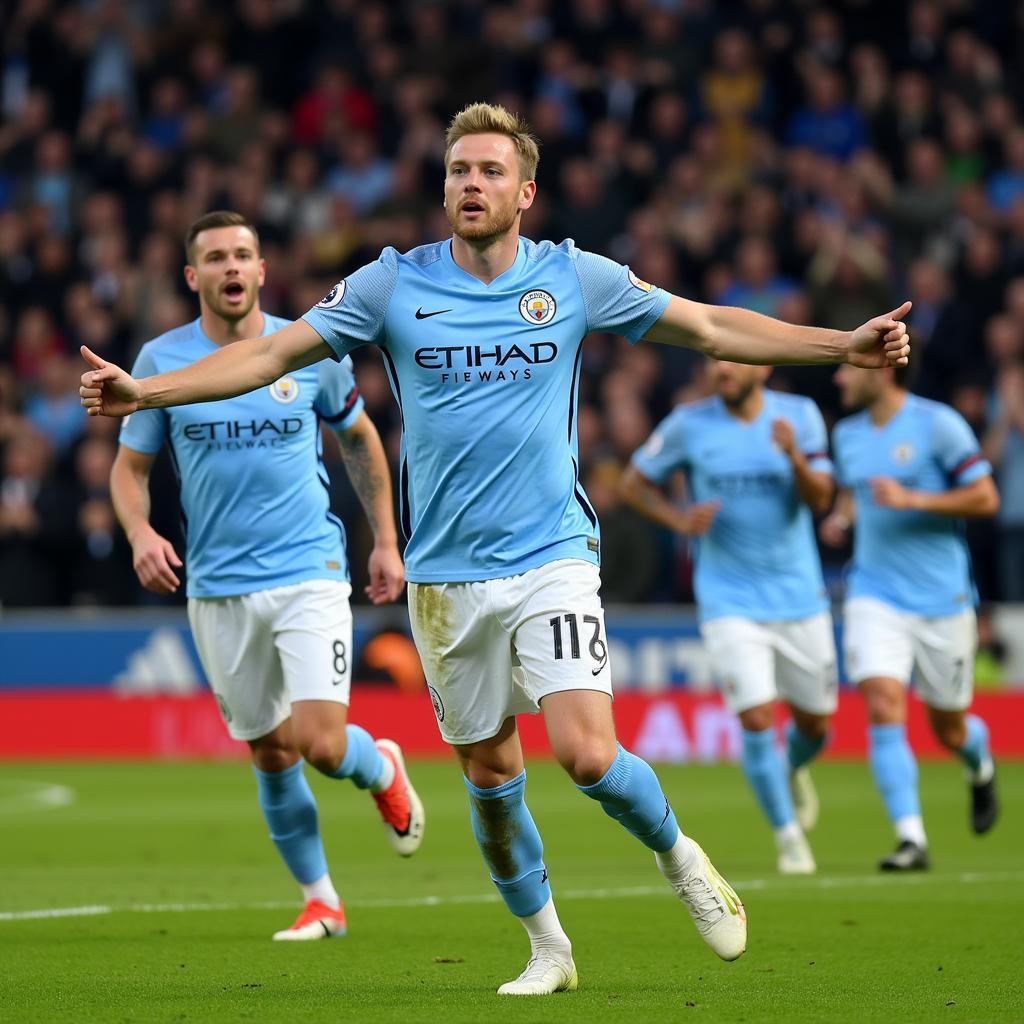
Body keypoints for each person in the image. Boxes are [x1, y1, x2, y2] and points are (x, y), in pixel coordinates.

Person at [82, 104, 911, 995]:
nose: (468, 185)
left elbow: (709, 327)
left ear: (525, 191)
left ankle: (681, 858)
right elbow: (271, 355)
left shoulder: (573, 277)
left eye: (486, 171)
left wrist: (843, 349)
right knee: (489, 773)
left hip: (552, 552)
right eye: (455, 172)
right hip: (444, 579)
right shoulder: (390, 286)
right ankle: (548, 948)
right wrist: (148, 393)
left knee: (588, 754)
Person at [107, 210, 424, 942]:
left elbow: (359, 438)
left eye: (242, 255)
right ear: (193, 276)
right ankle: (323, 900)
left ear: (261, 270)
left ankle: (377, 766)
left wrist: (385, 542)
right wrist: (139, 531)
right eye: (214, 257)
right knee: (270, 749)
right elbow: (130, 470)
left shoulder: (309, 348)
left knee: (318, 739)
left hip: (308, 569)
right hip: (217, 586)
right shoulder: (160, 361)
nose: (230, 268)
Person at [621, 360, 837, 875]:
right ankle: (788, 838)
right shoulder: (688, 423)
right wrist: (676, 518)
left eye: (732, 360)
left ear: (761, 367)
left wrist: (794, 458)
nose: (720, 368)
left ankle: (790, 769)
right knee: (757, 716)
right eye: (714, 360)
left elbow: (822, 499)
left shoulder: (799, 417)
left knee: (816, 722)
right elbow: (633, 482)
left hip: (798, 596)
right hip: (727, 599)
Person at [820, 363, 999, 871]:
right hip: (874, 593)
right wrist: (841, 518)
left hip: (942, 599)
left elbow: (986, 496)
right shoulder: (848, 434)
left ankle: (979, 763)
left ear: (882, 371)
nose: (839, 379)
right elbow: (857, 493)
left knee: (950, 728)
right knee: (882, 700)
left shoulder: (937, 424)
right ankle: (910, 838)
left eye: (850, 369)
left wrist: (914, 498)